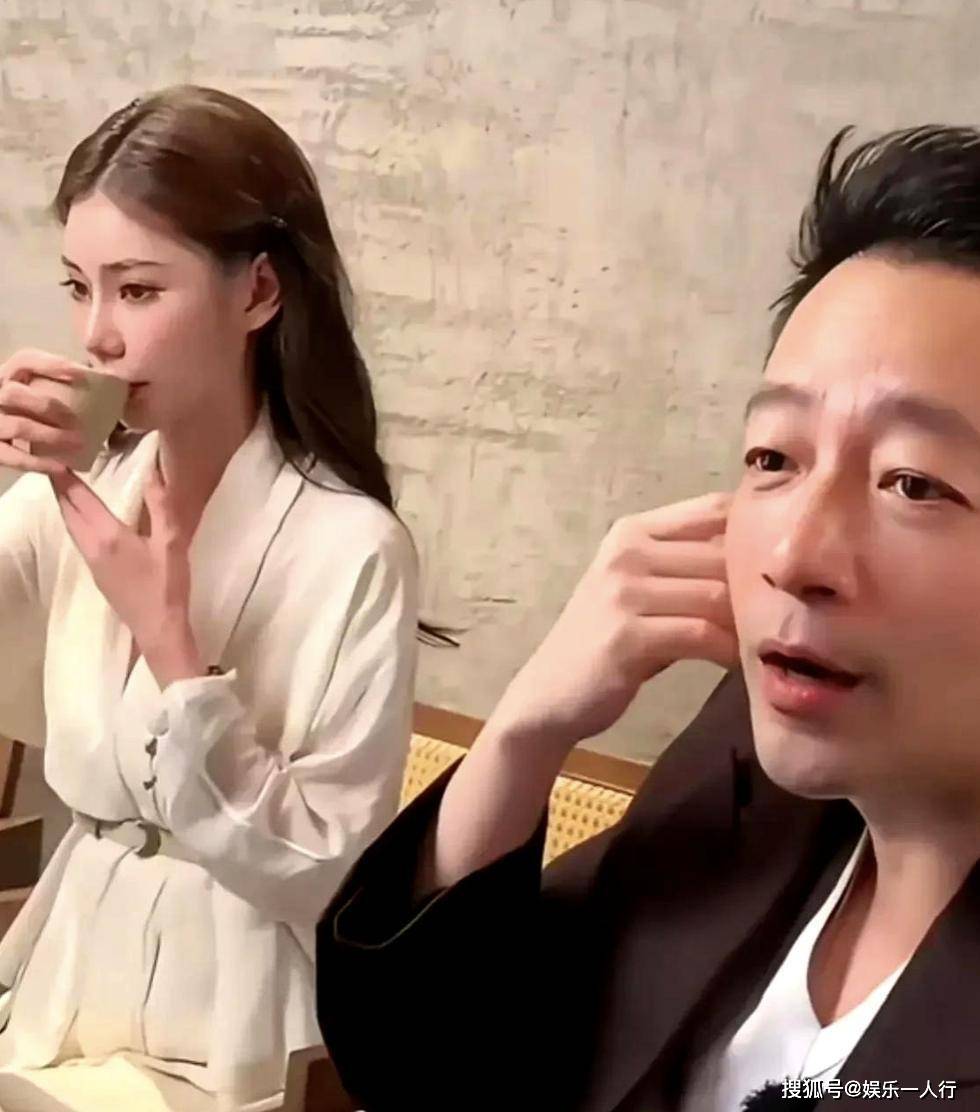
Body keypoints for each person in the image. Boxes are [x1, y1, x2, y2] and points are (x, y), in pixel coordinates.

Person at [315, 124, 980, 1111]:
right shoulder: (751, 776)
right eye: (774, 458)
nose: (794, 555)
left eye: (913, 482)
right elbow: (427, 1069)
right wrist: (526, 732)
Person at [0, 85, 430, 1111]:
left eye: (139, 290)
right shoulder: (79, 493)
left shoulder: (354, 548)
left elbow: (322, 867)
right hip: (64, 984)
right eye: (80, 288)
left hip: (234, 1032)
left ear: (258, 292)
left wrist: (172, 647)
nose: (98, 336)